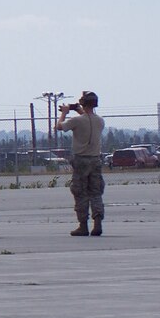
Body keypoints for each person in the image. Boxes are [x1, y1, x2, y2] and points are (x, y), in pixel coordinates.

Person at [57, 92, 106, 237]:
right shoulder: (100, 121)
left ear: (83, 103)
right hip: (95, 160)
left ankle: (83, 225)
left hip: (81, 160)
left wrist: (65, 112)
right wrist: (79, 110)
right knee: (96, 192)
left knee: (80, 193)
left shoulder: (76, 121)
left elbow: (59, 127)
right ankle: (97, 223)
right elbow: (88, 118)